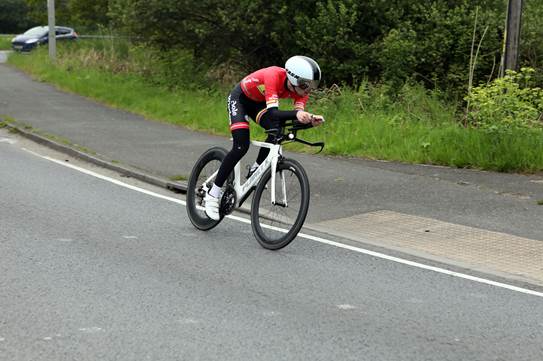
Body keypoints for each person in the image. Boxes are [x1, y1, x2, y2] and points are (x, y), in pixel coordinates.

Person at [204, 55, 325, 220]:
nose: (308, 90)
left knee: (277, 129)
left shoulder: (301, 91)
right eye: (306, 85)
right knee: (241, 145)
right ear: (293, 79)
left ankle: (256, 168)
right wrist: (298, 113)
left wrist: (310, 119)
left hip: (258, 104)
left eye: (312, 86)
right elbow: (275, 112)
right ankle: (213, 194)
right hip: (240, 99)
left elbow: (296, 116)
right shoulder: (273, 75)